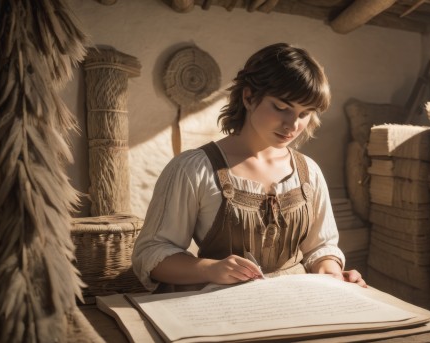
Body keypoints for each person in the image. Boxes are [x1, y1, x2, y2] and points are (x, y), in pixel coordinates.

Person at [132, 42, 366, 292]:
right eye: (281, 107)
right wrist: (210, 269)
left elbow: (320, 247)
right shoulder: (193, 169)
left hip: (298, 302)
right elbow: (151, 254)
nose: (292, 125)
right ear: (248, 97)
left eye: (304, 113)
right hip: (226, 307)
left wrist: (330, 271)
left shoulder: (309, 172)